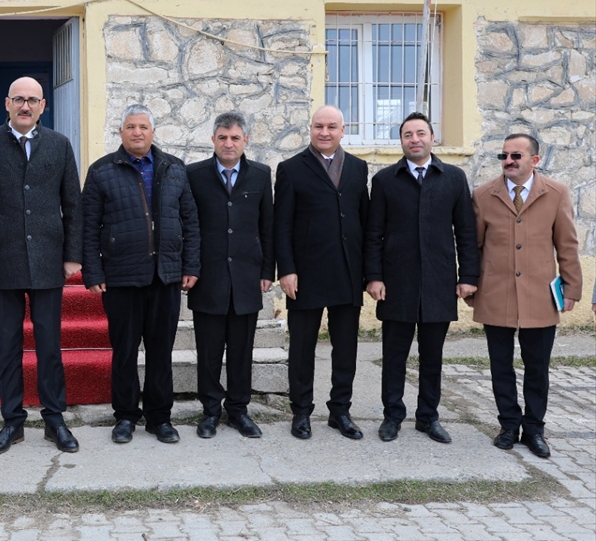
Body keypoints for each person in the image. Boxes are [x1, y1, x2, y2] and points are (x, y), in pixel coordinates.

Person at [0, 76, 83, 454]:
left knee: (49, 345)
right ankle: (12, 422)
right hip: (3, 259)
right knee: (8, 346)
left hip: (49, 258)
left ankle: (54, 420)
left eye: (32, 100)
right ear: (7, 103)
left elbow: (74, 205)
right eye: (19, 99)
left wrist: (72, 255)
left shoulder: (60, 146)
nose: (26, 106)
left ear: (43, 106)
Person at [81, 105, 199, 444]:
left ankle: (160, 418)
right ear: (120, 132)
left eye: (143, 126)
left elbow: (190, 221)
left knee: (161, 351)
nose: (137, 132)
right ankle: (126, 416)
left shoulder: (174, 168)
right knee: (125, 351)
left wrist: (190, 265)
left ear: (152, 131)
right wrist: (93, 271)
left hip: (166, 277)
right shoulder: (102, 171)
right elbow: (89, 227)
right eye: (130, 126)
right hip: (121, 277)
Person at [364, 112, 479, 444]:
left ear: (432, 137)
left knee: (432, 356)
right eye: (407, 135)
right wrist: (374, 276)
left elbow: (466, 233)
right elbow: (374, 234)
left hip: (439, 282)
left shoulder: (454, 178)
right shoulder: (385, 180)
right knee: (394, 356)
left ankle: (428, 417)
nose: (414, 139)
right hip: (396, 283)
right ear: (401, 141)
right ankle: (392, 416)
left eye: (420, 133)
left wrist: (468, 276)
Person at [469, 133, 582, 459]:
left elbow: (567, 244)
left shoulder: (556, 193)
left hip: (540, 295)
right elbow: (474, 245)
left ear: (535, 160)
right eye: (504, 156)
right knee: (500, 365)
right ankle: (508, 425)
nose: (508, 162)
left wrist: (572, 287)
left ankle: (534, 429)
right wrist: (470, 285)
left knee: (537, 367)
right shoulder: (484, 195)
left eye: (516, 156)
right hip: (496, 292)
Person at [274, 104, 370, 440]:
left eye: (332, 127)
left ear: (343, 130)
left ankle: (340, 411)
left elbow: (366, 224)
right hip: (305, 275)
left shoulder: (359, 168)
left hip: (347, 271)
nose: (324, 132)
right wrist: (286, 269)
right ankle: (301, 411)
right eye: (318, 126)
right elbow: (281, 225)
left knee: (346, 348)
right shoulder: (290, 169)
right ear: (310, 129)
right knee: (302, 348)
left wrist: (369, 272)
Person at [186, 111, 274, 439]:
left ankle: (238, 409)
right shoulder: (193, 175)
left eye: (235, 137)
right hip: (207, 279)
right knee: (208, 352)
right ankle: (210, 410)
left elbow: (268, 226)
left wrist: (268, 270)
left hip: (247, 279)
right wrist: (189, 268)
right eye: (222, 137)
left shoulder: (261, 175)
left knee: (241, 350)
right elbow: (188, 225)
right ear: (213, 139)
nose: (228, 143)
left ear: (245, 141)